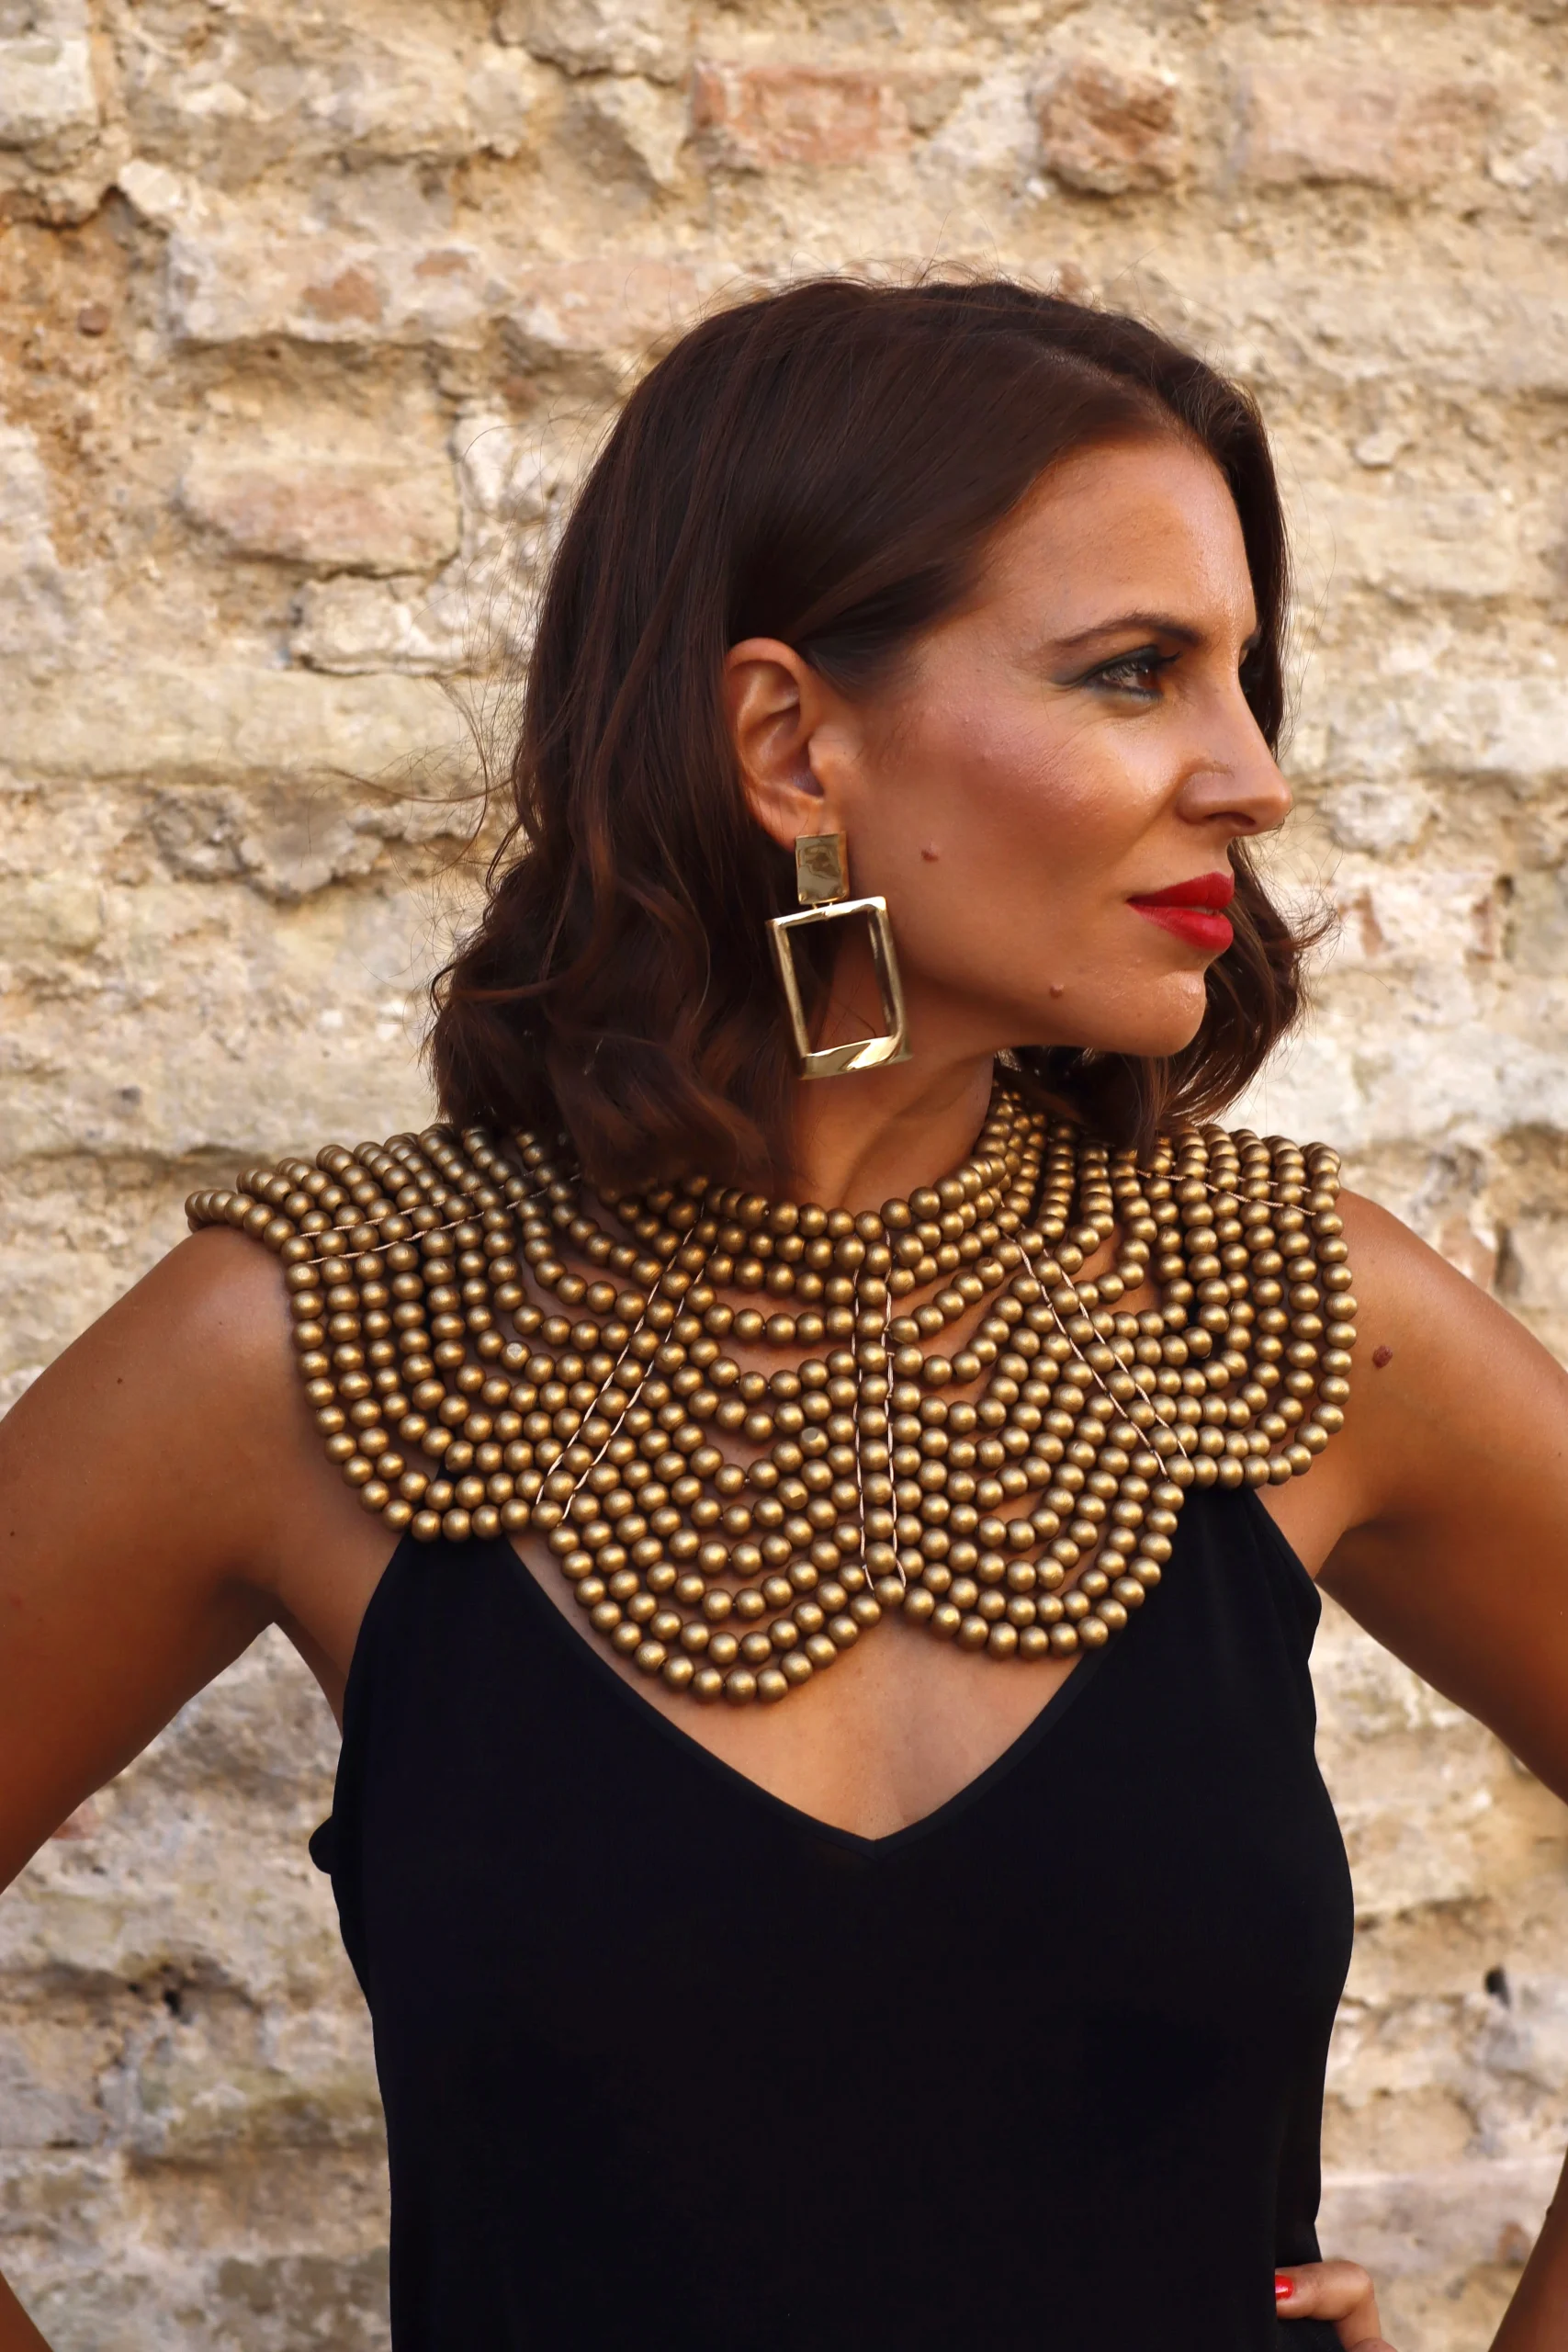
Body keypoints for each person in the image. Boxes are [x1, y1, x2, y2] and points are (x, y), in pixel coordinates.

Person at [2, 276, 1564, 2352]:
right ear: (788, 744)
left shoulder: (1290, 1312)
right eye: (1134, 673)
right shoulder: (318, 1339)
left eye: (1241, 677)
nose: (1251, 778)